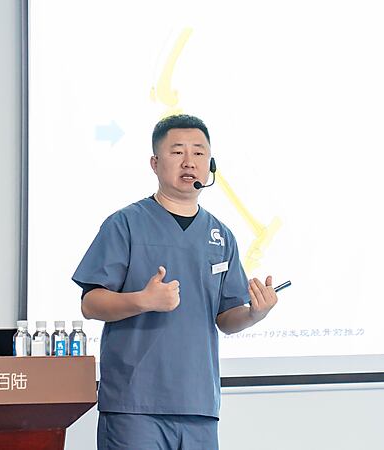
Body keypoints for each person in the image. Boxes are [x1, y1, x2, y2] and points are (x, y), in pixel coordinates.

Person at [73, 114, 279, 449]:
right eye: (177, 151)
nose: (189, 162)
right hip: (135, 405)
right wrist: (142, 300)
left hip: (198, 405)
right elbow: (90, 303)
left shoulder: (221, 235)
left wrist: (255, 313)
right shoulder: (125, 224)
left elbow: (227, 318)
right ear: (155, 163)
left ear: (210, 165)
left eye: (199, 153)